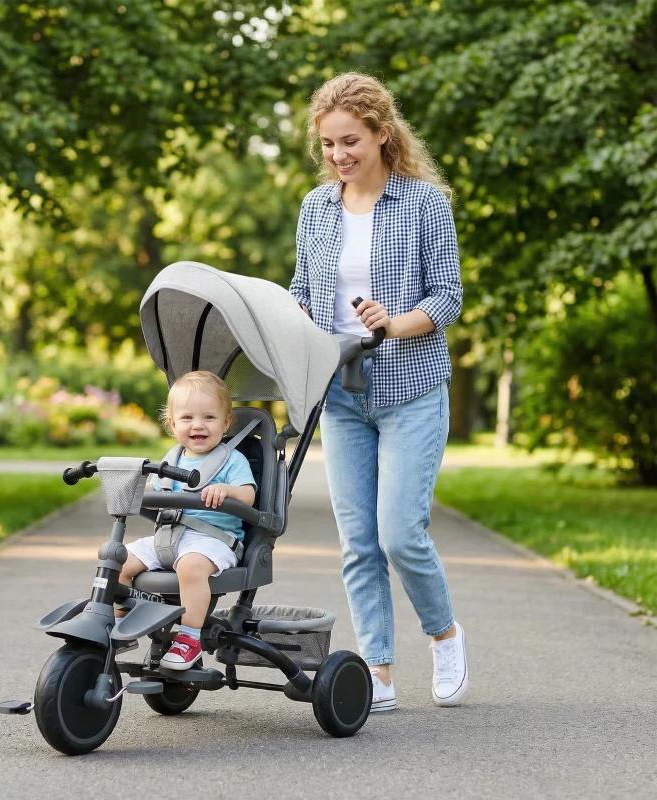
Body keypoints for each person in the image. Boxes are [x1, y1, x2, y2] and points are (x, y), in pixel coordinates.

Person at [289, 73, 468, 711]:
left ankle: (444, 634)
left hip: (411, 387)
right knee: (358, 542)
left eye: (351, 141)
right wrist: (297, 333)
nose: (340, 155)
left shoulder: (423, 203)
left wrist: (394, 322)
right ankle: (379, 672)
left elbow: (447, 296)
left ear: (381, 134)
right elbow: (303, 292)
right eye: (330, 145)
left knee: (399, 533)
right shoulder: (317, 208)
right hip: (340, 394)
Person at [115, 371, 256, 670]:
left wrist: (227, 490)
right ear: (173, 424)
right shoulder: (170, 460)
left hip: (213, 540)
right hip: (169, 536)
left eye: (209, 417)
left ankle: (189, 639)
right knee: (118, 559)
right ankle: (120, 623)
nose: (198, 425)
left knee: (191, 566)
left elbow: (248, 496)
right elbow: (158, 493)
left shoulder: (232, 460)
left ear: (226, 423)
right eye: (188, 418)